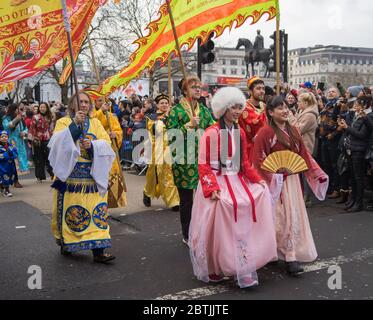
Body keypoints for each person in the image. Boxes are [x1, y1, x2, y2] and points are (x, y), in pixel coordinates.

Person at [189, 87, 277, 288]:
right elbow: (203, 163)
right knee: (215, 227)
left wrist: (257, 180)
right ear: (223, 109)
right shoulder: (211, 133)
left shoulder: (239, 132)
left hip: (236, 181)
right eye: (233, 108)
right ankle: (214, 267)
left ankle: (242, 265)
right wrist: (211, 189)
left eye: (239, 107)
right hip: (217, 182)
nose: (237, 111)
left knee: (242, 220)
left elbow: (244, 163)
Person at [252, 96, 329, 275]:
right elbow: (258, 159)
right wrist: (272, 175)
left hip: (292, 181)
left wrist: (317, 173)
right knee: (278, 217)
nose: (285, 111)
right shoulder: (265, 132)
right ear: (270, 113)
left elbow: (304, 156)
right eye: (280, 108)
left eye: (286, 107)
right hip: (275, 181)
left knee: (291, 216)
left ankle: (289, 253)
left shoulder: (293, 130)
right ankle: (276, 252)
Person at [48, 92, 116, 263]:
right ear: (72, 105)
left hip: (93, 178)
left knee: (98, 213)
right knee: (73, 215)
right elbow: (56, 145)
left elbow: (106, 143)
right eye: (80, 102)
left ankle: (99, 251)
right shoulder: (63, 122)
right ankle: (68, 244)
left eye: (87, 102)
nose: (84, 105)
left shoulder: (96, 123)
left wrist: (93, 145)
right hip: (71, 180)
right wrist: (74, 126)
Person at [167, 75, 215, 245]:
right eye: (193, 86)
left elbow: (213, 127)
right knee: (187, 200)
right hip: (183, 160)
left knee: (206, 195)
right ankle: (187, 233)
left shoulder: (203, 110)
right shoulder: (176, 111)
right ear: (185, 89)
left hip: (202, 160)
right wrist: (188, 125)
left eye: (199, 86)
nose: (197, 89)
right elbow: (170, 134)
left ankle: (203, 229)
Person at [143, 94, 180, 210]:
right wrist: (164, 120)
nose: (164, 105)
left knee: (169, 174)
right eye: (162, 103)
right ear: (157, 105)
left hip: (172, 149)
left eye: (166, 103)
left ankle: (174, 201)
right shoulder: (151, 117)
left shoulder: (173, 115)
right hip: (157, 149)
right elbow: (154, 132)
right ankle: (147, 192)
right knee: (153, 174)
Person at [337, 96, 371, 212]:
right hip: (351, 148)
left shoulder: (368, 116)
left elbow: (362, 135)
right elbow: (352, 130)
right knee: (353, 177)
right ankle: (353, 200)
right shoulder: (356, 115)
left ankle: (359, 203)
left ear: (364, 105)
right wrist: (345, 126)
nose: (355, 106)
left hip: (359, 150)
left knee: (358, 177)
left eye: (357, 104)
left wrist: (347, 128)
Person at [93, 98, 127, 208]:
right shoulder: (91, 115)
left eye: (104, 101)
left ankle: (111, 202)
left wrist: (115, 135)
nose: (102, 103)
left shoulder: (112, 116)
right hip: (96, 151)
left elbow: (118, 130)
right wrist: (101, 112)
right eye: (99, 101)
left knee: (112, 174)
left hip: (109, 150)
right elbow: (93, 126)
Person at [295, 92, 319, 207]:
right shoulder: (302, 112)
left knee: (306, 173)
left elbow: (298, 130)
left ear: (306, 103)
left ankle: (307, 197)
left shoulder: (309, 115)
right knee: (301, 172)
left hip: (306, 146)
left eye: (299, 101)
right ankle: (302, 195)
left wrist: (290, 118)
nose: (297, 103)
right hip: (301, 146)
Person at [238, 76, 267, 162]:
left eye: (263, 89)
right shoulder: (244, 107)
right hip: (249, 150)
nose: (262, 91)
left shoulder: (264, 106)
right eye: (258, 88)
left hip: (264, 149)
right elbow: (256, 124)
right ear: (250, 91)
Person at [2, 103, 29, 184]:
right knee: (13, 161)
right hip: (11, 142)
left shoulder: (21, 119)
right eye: (17, 109)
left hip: (20, 142)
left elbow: (25, 128)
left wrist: (24, 133)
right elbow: (7, 126)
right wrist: (16, 119)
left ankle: (16, 180)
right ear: (13, 110)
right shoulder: (6, 118)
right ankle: (15, 180)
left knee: (19, 160)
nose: (18, 111)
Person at [28, 102, 54, 182]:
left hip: (47, 139)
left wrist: (53, 138)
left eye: (44, 107)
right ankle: (39, 176)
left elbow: (51, 129)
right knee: (38, 159)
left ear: (47, 108)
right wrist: (32, 139)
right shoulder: (35, 117)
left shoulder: (50, 117)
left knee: (49, 157)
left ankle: (52, 174)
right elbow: (32, 128)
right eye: (41, 107)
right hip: (37, 140)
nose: (42, 108)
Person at [0, 130, 17, 197]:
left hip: (10, 165)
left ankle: (2, 187)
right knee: (4, 177)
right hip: (2, 166)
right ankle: (7, 190)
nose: (4, 138)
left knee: (10, 177)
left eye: (6, 136)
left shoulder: (11, 146)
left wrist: (11, 154)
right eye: (2, 137)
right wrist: (6, 154)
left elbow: (15, 154)